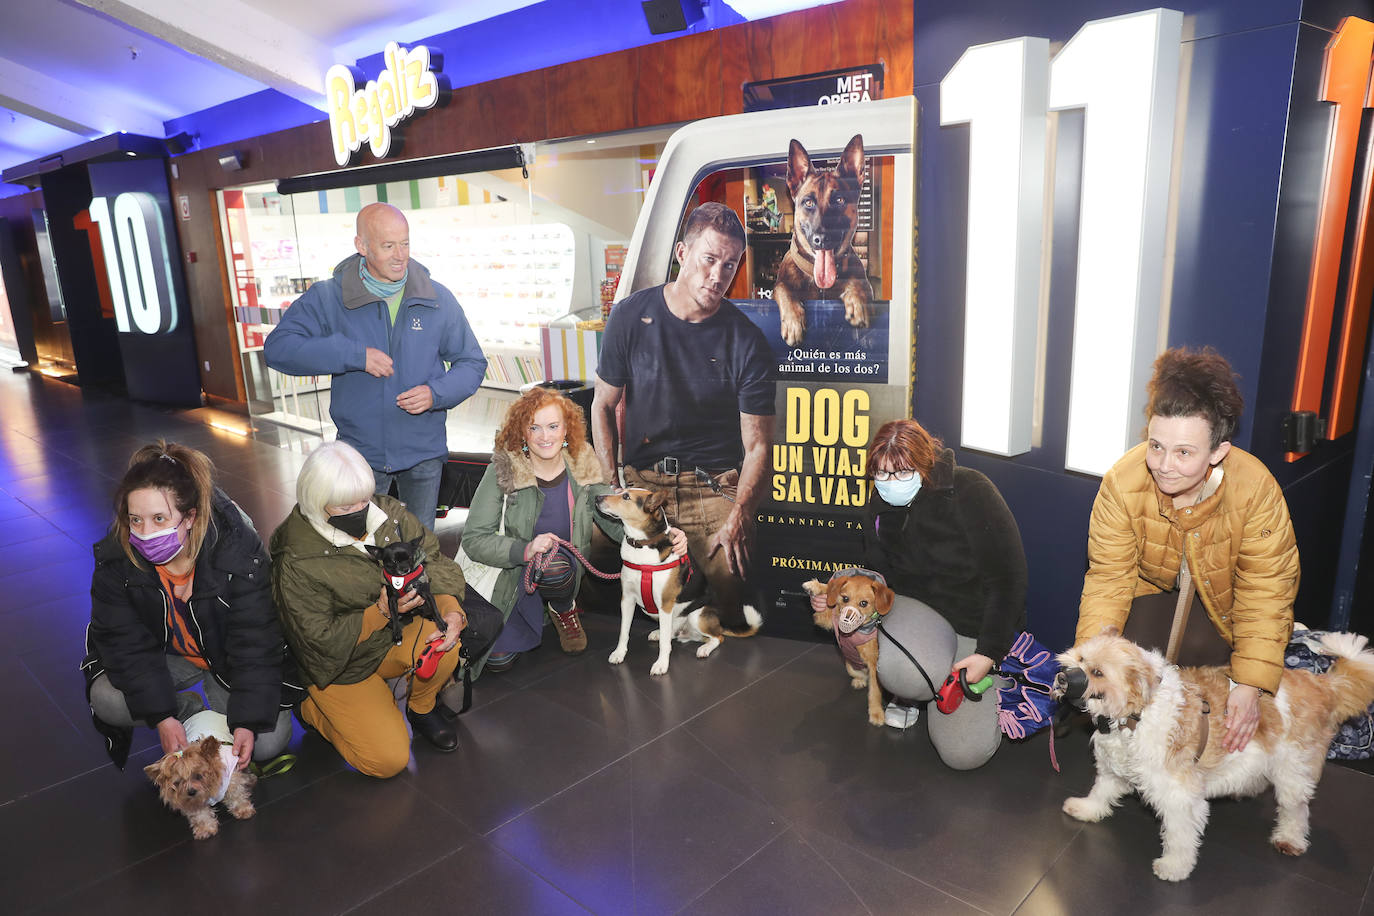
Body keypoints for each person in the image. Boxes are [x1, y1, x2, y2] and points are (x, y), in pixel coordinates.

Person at [1076, 346, 1299, 754]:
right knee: (1128, 665)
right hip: (1152, 596)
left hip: (1222, 606)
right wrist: (1094, 661)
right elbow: (1109, 578)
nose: (1163, 465)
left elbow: (1267, 591)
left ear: (1217, 452)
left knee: (1217, 693)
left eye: (1183, 452)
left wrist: (1250, 683)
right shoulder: (1122, 482)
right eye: (1156, 445)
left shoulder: (1256, 489)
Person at [270, 440, 502, 778]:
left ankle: (420, 709)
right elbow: (318, 642)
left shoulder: (388, 514)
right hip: (342, 667)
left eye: (364, 499)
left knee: (444, 641)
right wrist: (378, 612)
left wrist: (451, 609)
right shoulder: (295, 559)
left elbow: (433, 561)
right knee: (388, 760)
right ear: (316, 503)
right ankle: (313, 710)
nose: (362, 510)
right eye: (346, 505)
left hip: (392, 638)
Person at [591, 202, 775, 621]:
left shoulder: (746, 340)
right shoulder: (629, 317)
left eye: (730, 265)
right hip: (642, 484)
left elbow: (758, 445)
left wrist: (739, 513)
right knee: (598, 569)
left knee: (734, 590)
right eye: (709, 259)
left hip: (710, 487)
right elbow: (602, 405)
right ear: (681, 254)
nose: (718, 276)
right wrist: (612, 486)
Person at [811, 418, 1027, 769]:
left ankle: (994, 676)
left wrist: (989, 651)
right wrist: (836, 596)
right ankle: (913, 691)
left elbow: (1009, 578)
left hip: (976, 628)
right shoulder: (877, 508)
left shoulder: (971, 489)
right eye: (881, 474)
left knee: (963, 755)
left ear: (925, 465)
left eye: (901, 472)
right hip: (918, 625)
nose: (890, 483)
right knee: (897, 666)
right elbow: (877, 580)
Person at [263, 202, 486, 532]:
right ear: (362, 246)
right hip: (359, 455)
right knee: (360, 548)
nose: (400, 255)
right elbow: (279, 349)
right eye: (388, 246)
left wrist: (436, 393)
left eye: (405, 243)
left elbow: (471, 361)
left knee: (418, 546)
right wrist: (353, 355)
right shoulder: (327, 297)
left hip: (423, 451)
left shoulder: (437, 298)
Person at [83, 441, 300, 770]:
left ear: (189, 517)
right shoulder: (117, 560)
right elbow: (124, 643)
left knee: (265, 743)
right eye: (135, 520)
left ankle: (221, 715)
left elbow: (256, 640)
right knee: (105, 699)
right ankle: (190, 713)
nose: (145, 533)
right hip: (170, 656)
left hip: (228, 658)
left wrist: (247, 720)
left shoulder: (237, 551)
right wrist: (163, 716)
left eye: (159, 518)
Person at [462, 387, 688, 673]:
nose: (545, 436)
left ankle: (562, 606)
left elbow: (612, 514)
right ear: (522, 431)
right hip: (513, 573)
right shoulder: (503, 469)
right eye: (535, 427)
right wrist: (525, 549)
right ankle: (540, 611)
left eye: (553, 426)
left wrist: (661, 540)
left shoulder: (581, 459)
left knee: (554, 565)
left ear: (566, 428)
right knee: (497, 663)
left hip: (562, 567)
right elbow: (473, 539)